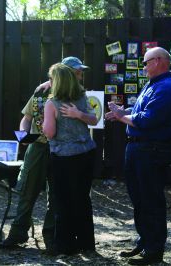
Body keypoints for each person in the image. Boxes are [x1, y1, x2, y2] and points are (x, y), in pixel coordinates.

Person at [0, 57, 90, 251]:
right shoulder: (40, 93)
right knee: (27, 190)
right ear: (64, 71)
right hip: (39, 146)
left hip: (62, 150)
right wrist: (23, 136)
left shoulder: (77, 94)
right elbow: (27, 118)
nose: (80, 75)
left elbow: (90, 119)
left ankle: (51, 237)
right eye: (77, 71)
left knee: (57, 195)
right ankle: (17, 233)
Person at [105, 47, 171, 265]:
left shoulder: (167, 88)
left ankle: (154, 250)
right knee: (139, 199)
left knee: (151, 200)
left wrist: (122, 116)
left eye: (146, 62)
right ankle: (145, 241)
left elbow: (147, 120)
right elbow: (139, 110)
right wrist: (123, 112)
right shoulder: (154, 84)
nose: (144, 66)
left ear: (158, 61)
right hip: (140, 149)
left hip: (152, 150)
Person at [43, 63, 98, 255]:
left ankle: (65, 245)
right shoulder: (81, 97)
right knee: (82, 199)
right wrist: (79, 114)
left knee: (63, 201)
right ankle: (86, 243)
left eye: (50, 78)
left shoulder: (51, 103)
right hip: (86, 153)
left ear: (56, 81)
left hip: (64, 157)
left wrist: (43, 124)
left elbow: (50, 133)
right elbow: (94, 119)